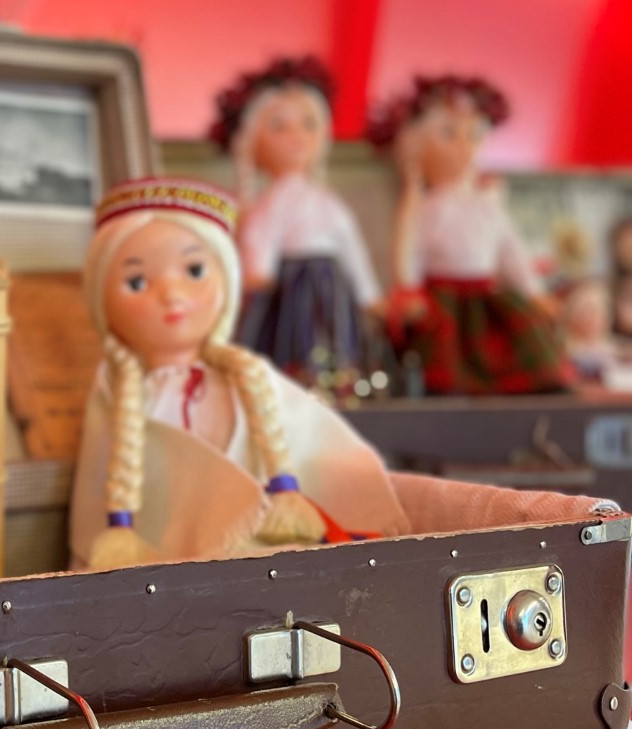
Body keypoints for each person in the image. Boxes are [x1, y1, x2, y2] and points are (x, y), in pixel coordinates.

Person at [69, 177, 408, 571]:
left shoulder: (247, 377)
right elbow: (97, 494)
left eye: (194, 270)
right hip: (163, 563)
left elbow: (322, 453)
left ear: (226, 280)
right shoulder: (117, 392)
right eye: (137, 282)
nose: (172, 295)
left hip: (260, 553)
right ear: (101, 299)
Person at [369, 75, 570, 395]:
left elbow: (511, 250)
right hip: (443, 302)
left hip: (489, 298)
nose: (464, 145)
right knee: (442, 360)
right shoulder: (424, 207)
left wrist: (533, 291)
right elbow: (410, 250)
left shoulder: (487, 204)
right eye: (449, 134)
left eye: (473, 135)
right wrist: (408, 290)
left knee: (527, 338)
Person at [210, 56, 382, 382]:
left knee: (337, 339)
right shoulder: (271, 202)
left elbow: (351, 246)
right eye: (279, 126)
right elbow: (260, 237)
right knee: (290, 342)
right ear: (252, 141)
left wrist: (368, 294)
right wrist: (258, 272)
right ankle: (300, 378)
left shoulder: (328, 201)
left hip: (332, 283)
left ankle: (337, 378)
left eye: (308, 124)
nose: (296, 135)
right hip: (290, 286)